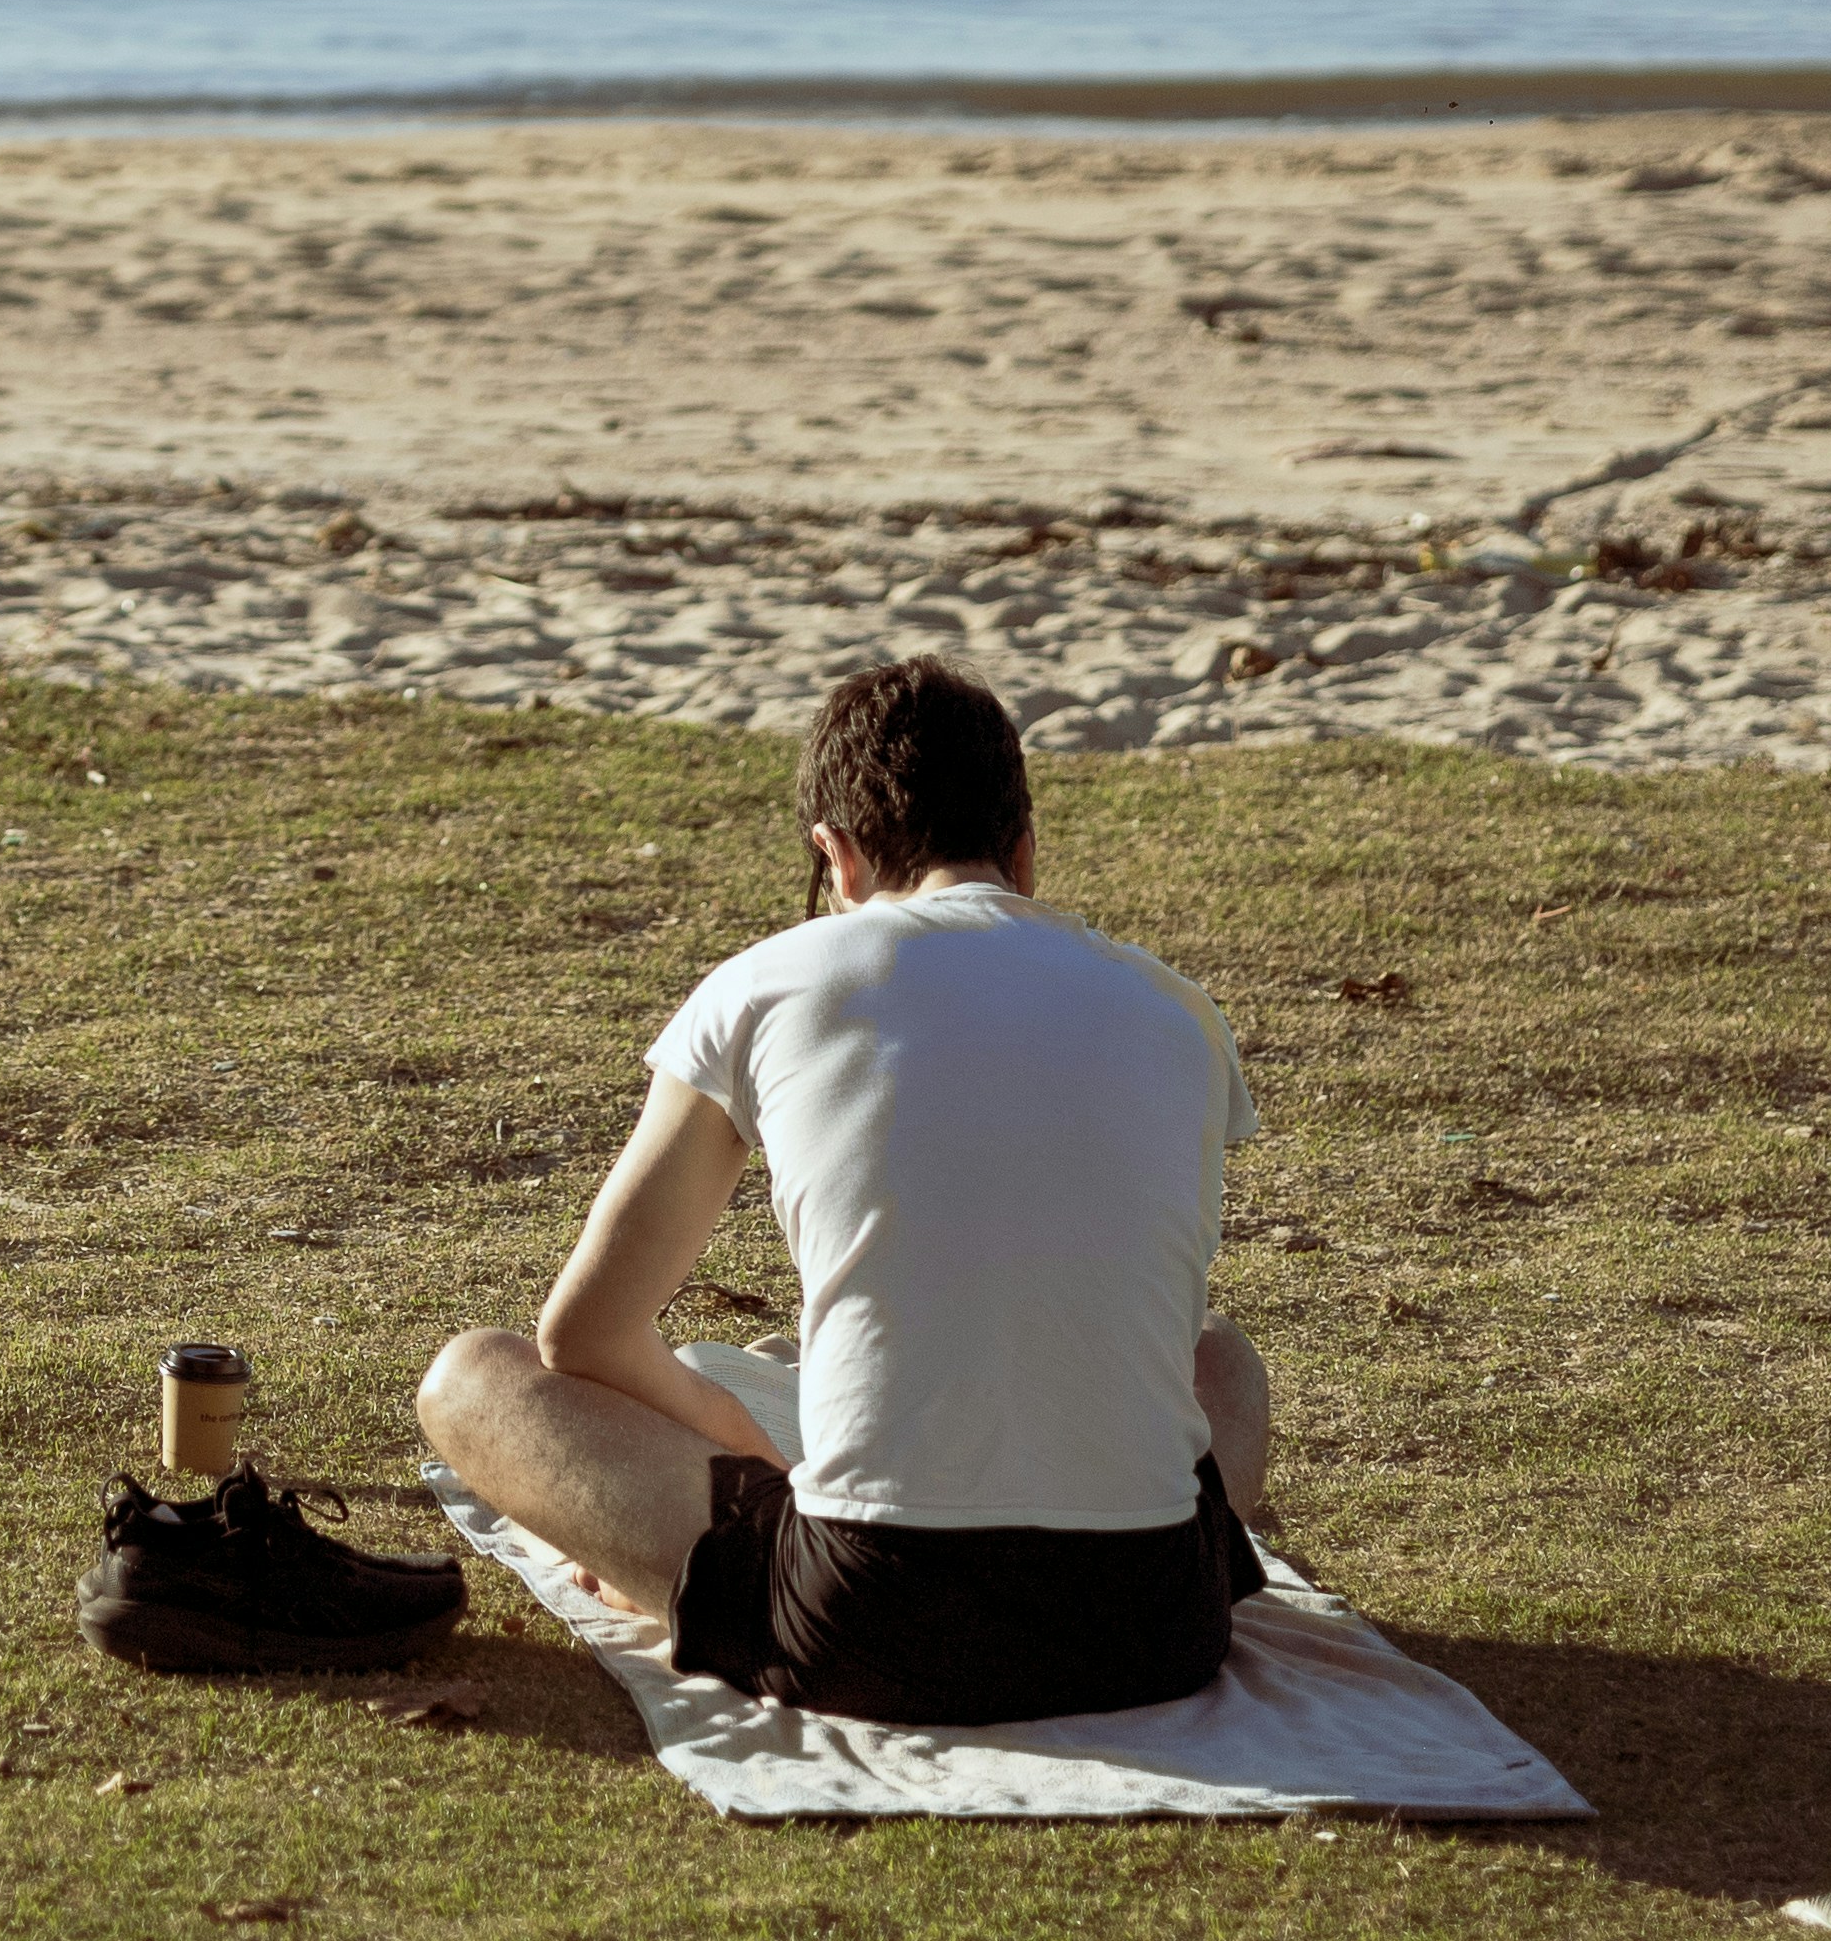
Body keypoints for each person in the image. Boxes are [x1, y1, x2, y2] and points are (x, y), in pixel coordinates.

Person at [415, 655, 1277, 1726]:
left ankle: (679, 1560)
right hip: (1157, 1625)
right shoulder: (1180, 1010)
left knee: (471, 1378)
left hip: (875, 1618)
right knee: (1223, 1360)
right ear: (1024, 847)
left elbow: (585, 1336)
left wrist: (732, 1441)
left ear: (837, 853)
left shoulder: (771, 978)